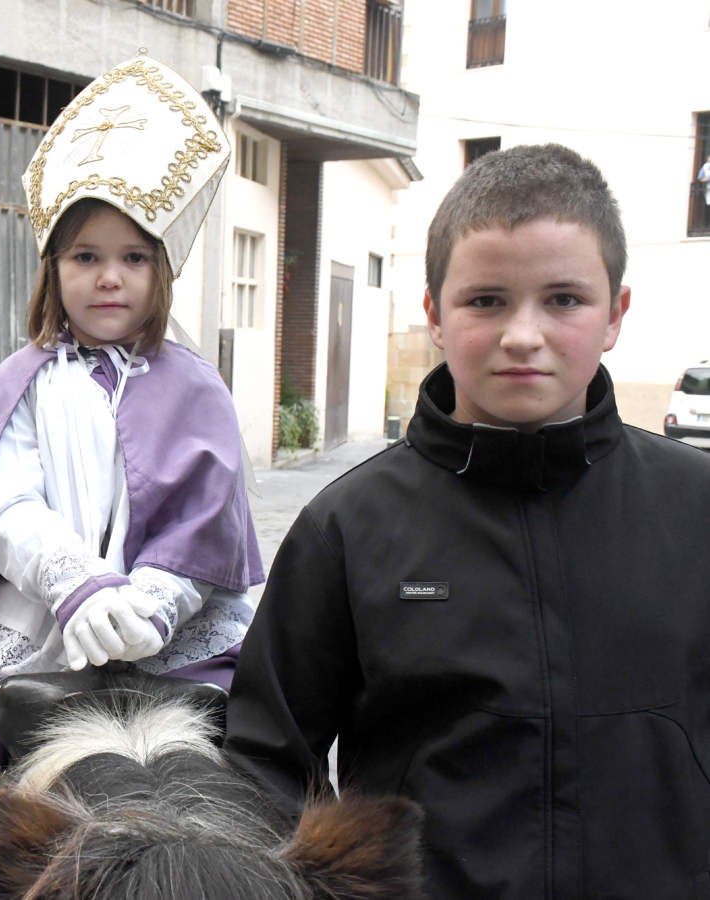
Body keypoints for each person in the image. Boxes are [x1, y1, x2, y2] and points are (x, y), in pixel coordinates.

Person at [224, 143, 710, 897]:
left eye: (564, 300)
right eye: (486, 300)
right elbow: (262, 763)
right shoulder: (347, 529)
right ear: (436, 315)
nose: (524, 334)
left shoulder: (697, 507)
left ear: (615, 314)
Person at [0, 54, 264, 899]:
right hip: (34, 627)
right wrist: (78, 585)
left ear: (161, 271)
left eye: (131, 257)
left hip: (172, 647)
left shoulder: (199, 388)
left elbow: (205, 523)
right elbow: (6, 503)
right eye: (85, 255)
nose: (108, 276)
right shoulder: (21, 382)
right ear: (53, 268)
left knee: (277, 785)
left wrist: (149, 605)